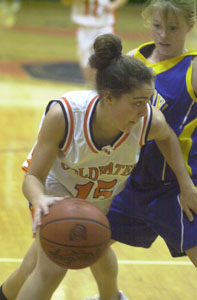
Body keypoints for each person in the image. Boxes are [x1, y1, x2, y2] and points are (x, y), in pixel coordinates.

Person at [0, 33, 196, 300]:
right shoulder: (65, 116)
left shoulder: (148, 121)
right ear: (109, 98)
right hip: (54, 193)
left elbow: (168, 138)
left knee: (94, 245)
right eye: (137, 103)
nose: (144, 110)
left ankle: (109, 297)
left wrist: (186, 184)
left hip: (98, 197)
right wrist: (41, 201)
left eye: (147, 101)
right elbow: (32, 177)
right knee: (54, 267)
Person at [104, 0, 197, 282]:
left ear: (189, 27)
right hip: (133, 184)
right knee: (86, 243)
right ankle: (110, 295)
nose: (164, 35)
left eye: (173, 28)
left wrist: (188, 185)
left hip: (179, 188)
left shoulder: (193, 68)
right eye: (157, 26)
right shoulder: (134, 59)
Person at [62, 0, 128, 84]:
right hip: (83, 25)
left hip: (104, 25)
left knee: (107, 56)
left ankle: (105, 87)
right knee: (85, 58)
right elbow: (65, 2)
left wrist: (114, 5)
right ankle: (90, 87)